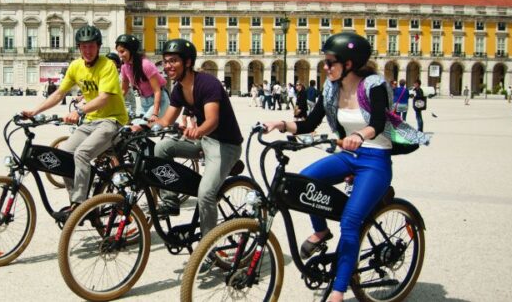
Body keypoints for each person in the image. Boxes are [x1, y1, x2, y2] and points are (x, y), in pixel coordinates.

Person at [261, 33, 430, 302]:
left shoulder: (373, 86)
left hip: (375, 160)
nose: (325, 67)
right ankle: (321, 232)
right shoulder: (331, 88)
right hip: (348, 155)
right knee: (303, 184)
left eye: (330, 62)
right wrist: (279, 124)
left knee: (351, 222)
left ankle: (338, 292)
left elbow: (377, 122)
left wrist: (360, 135)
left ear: (349, 63)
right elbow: (309, 123)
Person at [22, 25, 128, 222]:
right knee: (64, 155)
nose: (88, 50)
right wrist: (34, 112)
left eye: (92, 46)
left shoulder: (107, 66)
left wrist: (78, 111)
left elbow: (104, 98)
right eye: (84, 46)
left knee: (82, 154)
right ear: (79, 47)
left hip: (112, 120)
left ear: (98, 46)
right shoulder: (75, 66)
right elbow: (59, 93)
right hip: (90, 121)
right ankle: (76, 201)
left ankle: (80, 206)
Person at [149, 39, 243, 237]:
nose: (168, 66)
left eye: (173, 61)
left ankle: (208, 245)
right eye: (166, 61)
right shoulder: (178, 89)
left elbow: (212, 121)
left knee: (205, 194)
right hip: (204, 141)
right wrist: (142, 127)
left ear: (188, 62)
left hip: (225, 145)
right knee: (161, 148)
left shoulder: (208, 84)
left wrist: (197, 131)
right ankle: (170, 200)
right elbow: (166, 120)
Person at [115, 34, 169, 119]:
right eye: (118, 52)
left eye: (122, 51)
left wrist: (155, 114)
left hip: (159, 100)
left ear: (132, 50)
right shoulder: (124, 67)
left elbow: (157, 91)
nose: (120, 55)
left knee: (146, 125)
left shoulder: (145, 65)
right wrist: (113, 105)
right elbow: (124, 90)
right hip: (144, 101)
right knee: (136, 124)